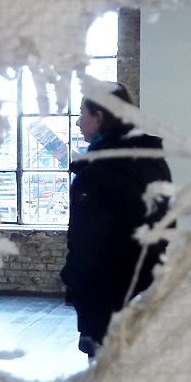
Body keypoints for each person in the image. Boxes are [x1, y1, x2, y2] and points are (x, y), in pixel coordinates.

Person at [59, 82, 172, 358]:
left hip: (105, 293)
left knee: (104, 366)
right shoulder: (153, 160)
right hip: (146, 285)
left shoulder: (98, 171)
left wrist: (73, 281)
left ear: (99, 117)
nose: (78, 122)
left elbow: (87, 243)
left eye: (83, 113)